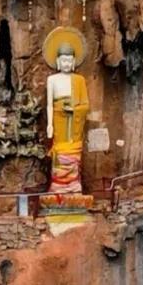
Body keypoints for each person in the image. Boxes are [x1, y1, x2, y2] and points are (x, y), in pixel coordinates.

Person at [44, 27, 89, 194]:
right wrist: (49, 124)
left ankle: (73, 184)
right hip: (58, 118)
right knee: (60, 149)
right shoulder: (52, 80)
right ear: (57, 61)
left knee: (73, 150)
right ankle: (58, 185)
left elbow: (85, 105)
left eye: (69, 61)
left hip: (74, 122)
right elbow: (49, 104)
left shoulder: (79, 80)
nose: (66, 64)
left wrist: (75, 110)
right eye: (63, 61)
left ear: (74, 61)